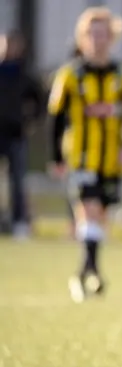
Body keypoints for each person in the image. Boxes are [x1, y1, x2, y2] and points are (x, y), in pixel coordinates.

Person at [48, 7, 122, 303]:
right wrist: (57, 158)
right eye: (92, 34)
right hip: (81, 156)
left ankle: (84, 271)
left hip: (112, 159)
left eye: (103, 34)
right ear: (82, 37)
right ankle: (93, 272)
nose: (98, 40)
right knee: (88, 208)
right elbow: (55, 117)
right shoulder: (70, 74)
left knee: (99, 216)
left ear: (112, 37)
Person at [0, 30, 44, 239]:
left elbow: (41, 101)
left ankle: (19, 222)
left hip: (16, 134)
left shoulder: (25, 75)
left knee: (17, 180)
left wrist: (30, 121)